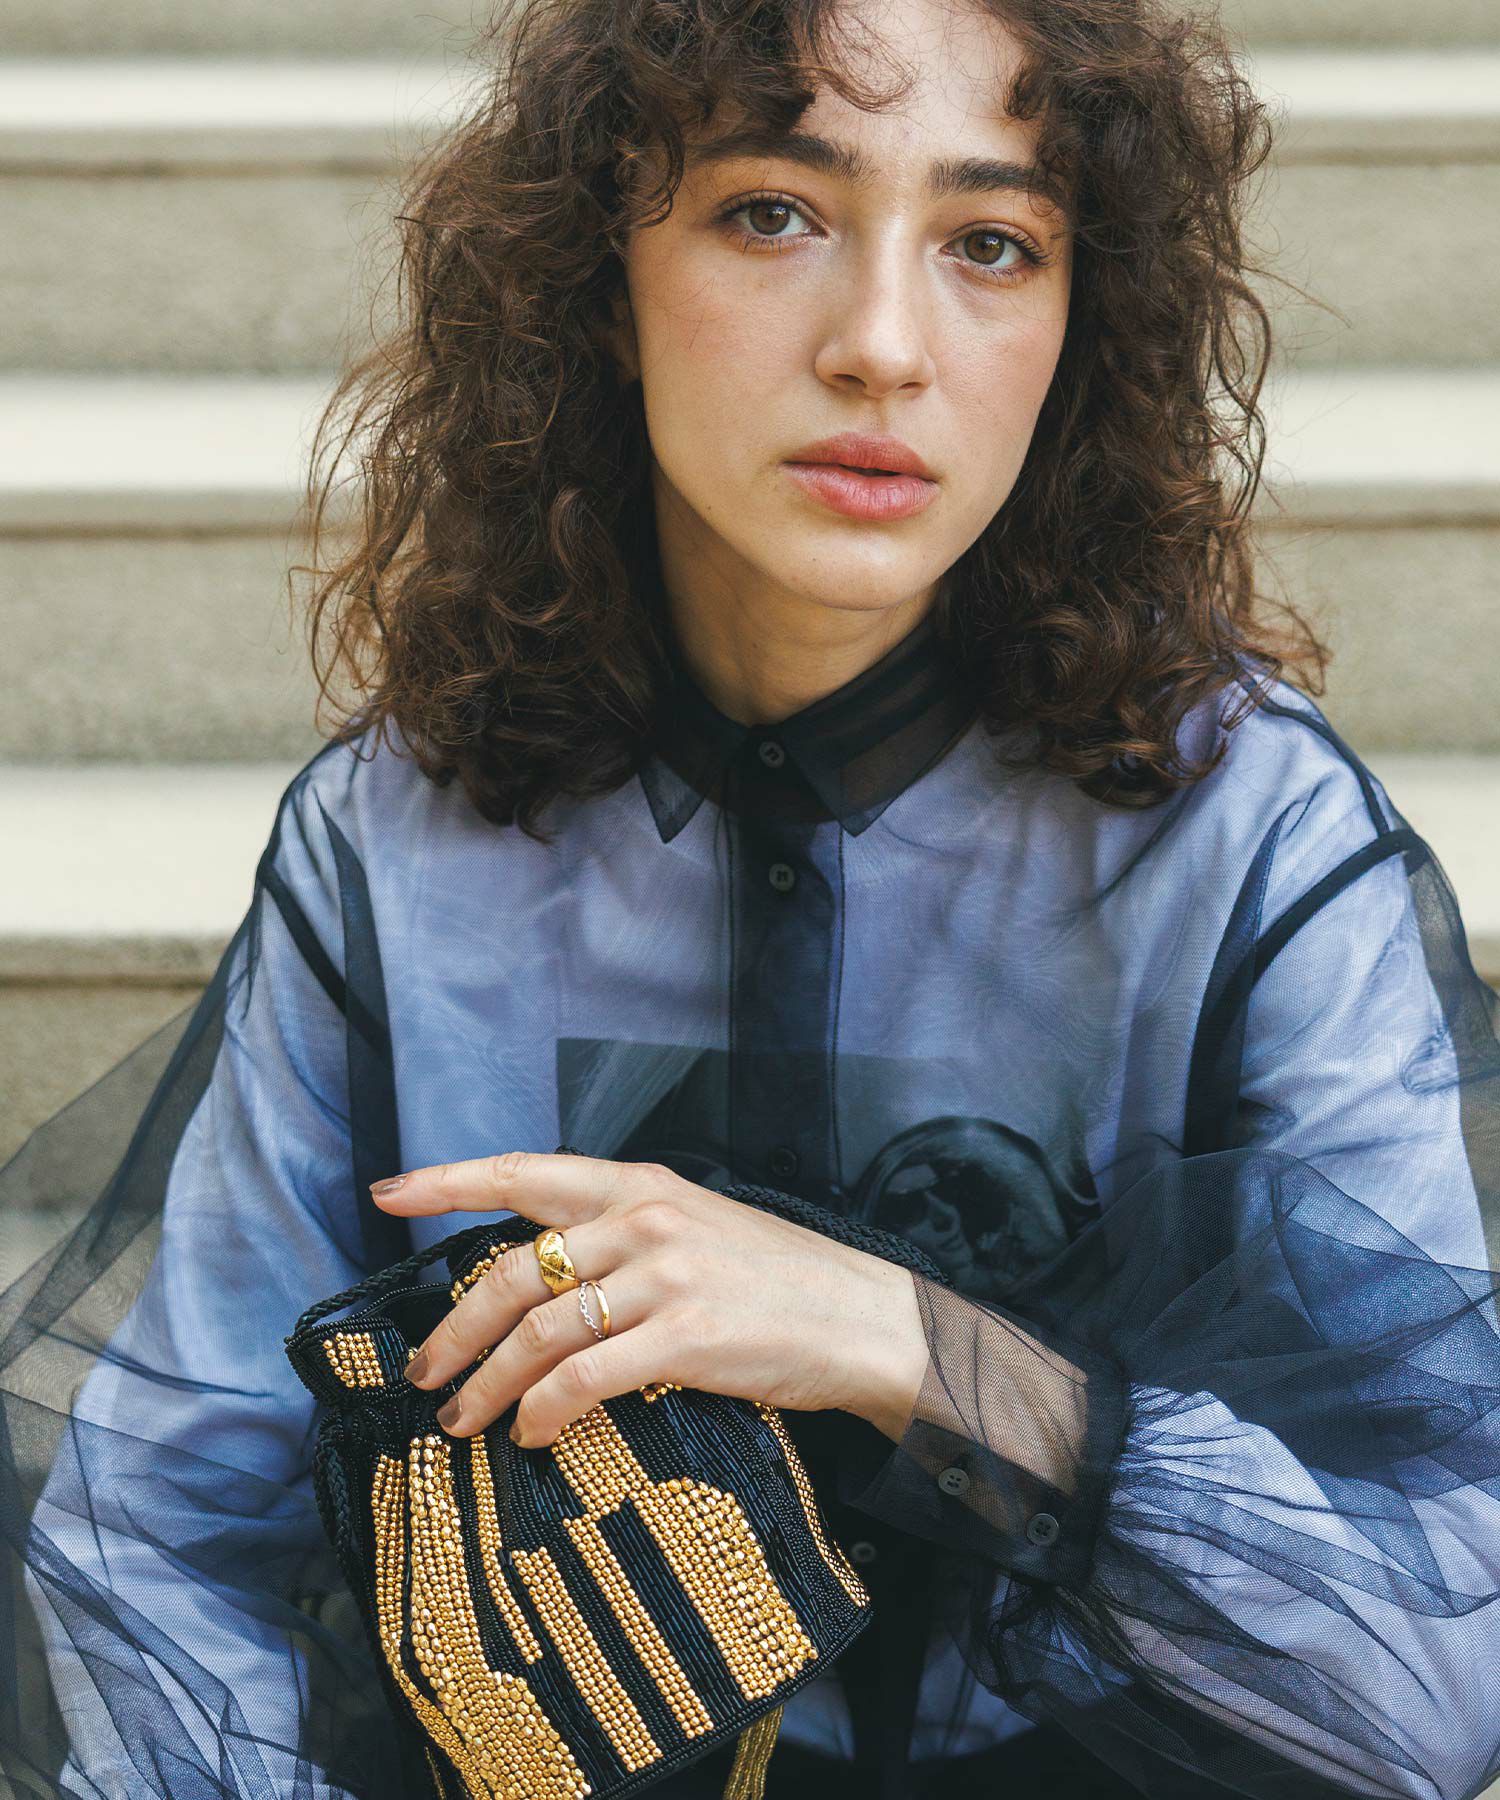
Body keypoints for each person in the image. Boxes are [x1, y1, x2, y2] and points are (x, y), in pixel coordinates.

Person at [3, 0, 1499, 1791]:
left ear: (1081, 326)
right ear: (598, 279)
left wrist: (918, 1353)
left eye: (992, 243)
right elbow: (158, 1550)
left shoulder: (1247, 840)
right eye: (772, 213)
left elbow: (1439, 1676)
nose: (883, 347)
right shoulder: (399, 840)